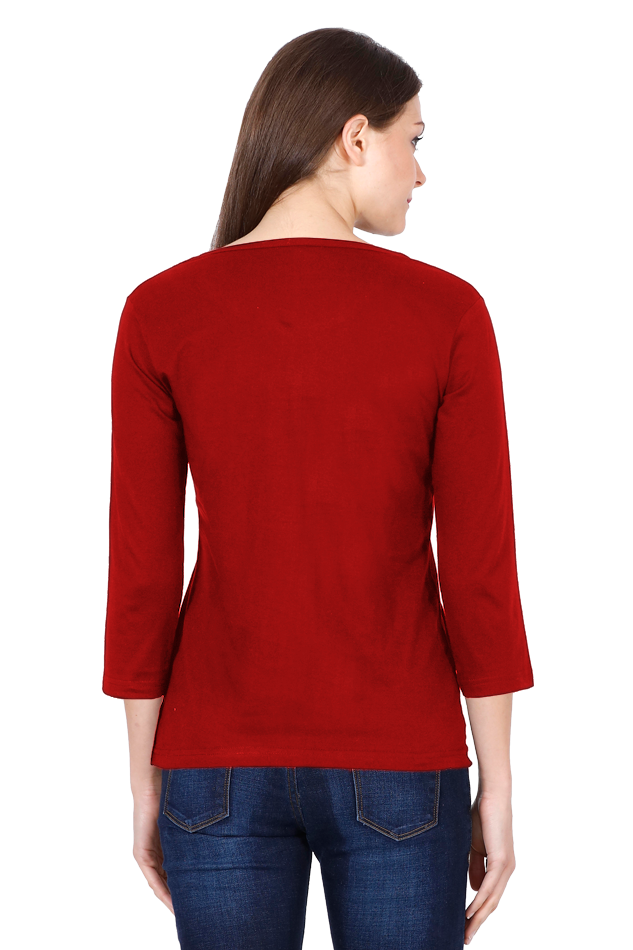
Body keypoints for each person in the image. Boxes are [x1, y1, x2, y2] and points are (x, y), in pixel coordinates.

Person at [102, 27, 534, 950]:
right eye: (412, 139)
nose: (418, 173)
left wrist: (142, 778)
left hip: (213, 761)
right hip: (400, 757)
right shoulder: (446, 315)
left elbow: (140, 573)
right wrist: (498, 785)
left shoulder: (161, 312)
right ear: (354, 137)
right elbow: (479, 572)